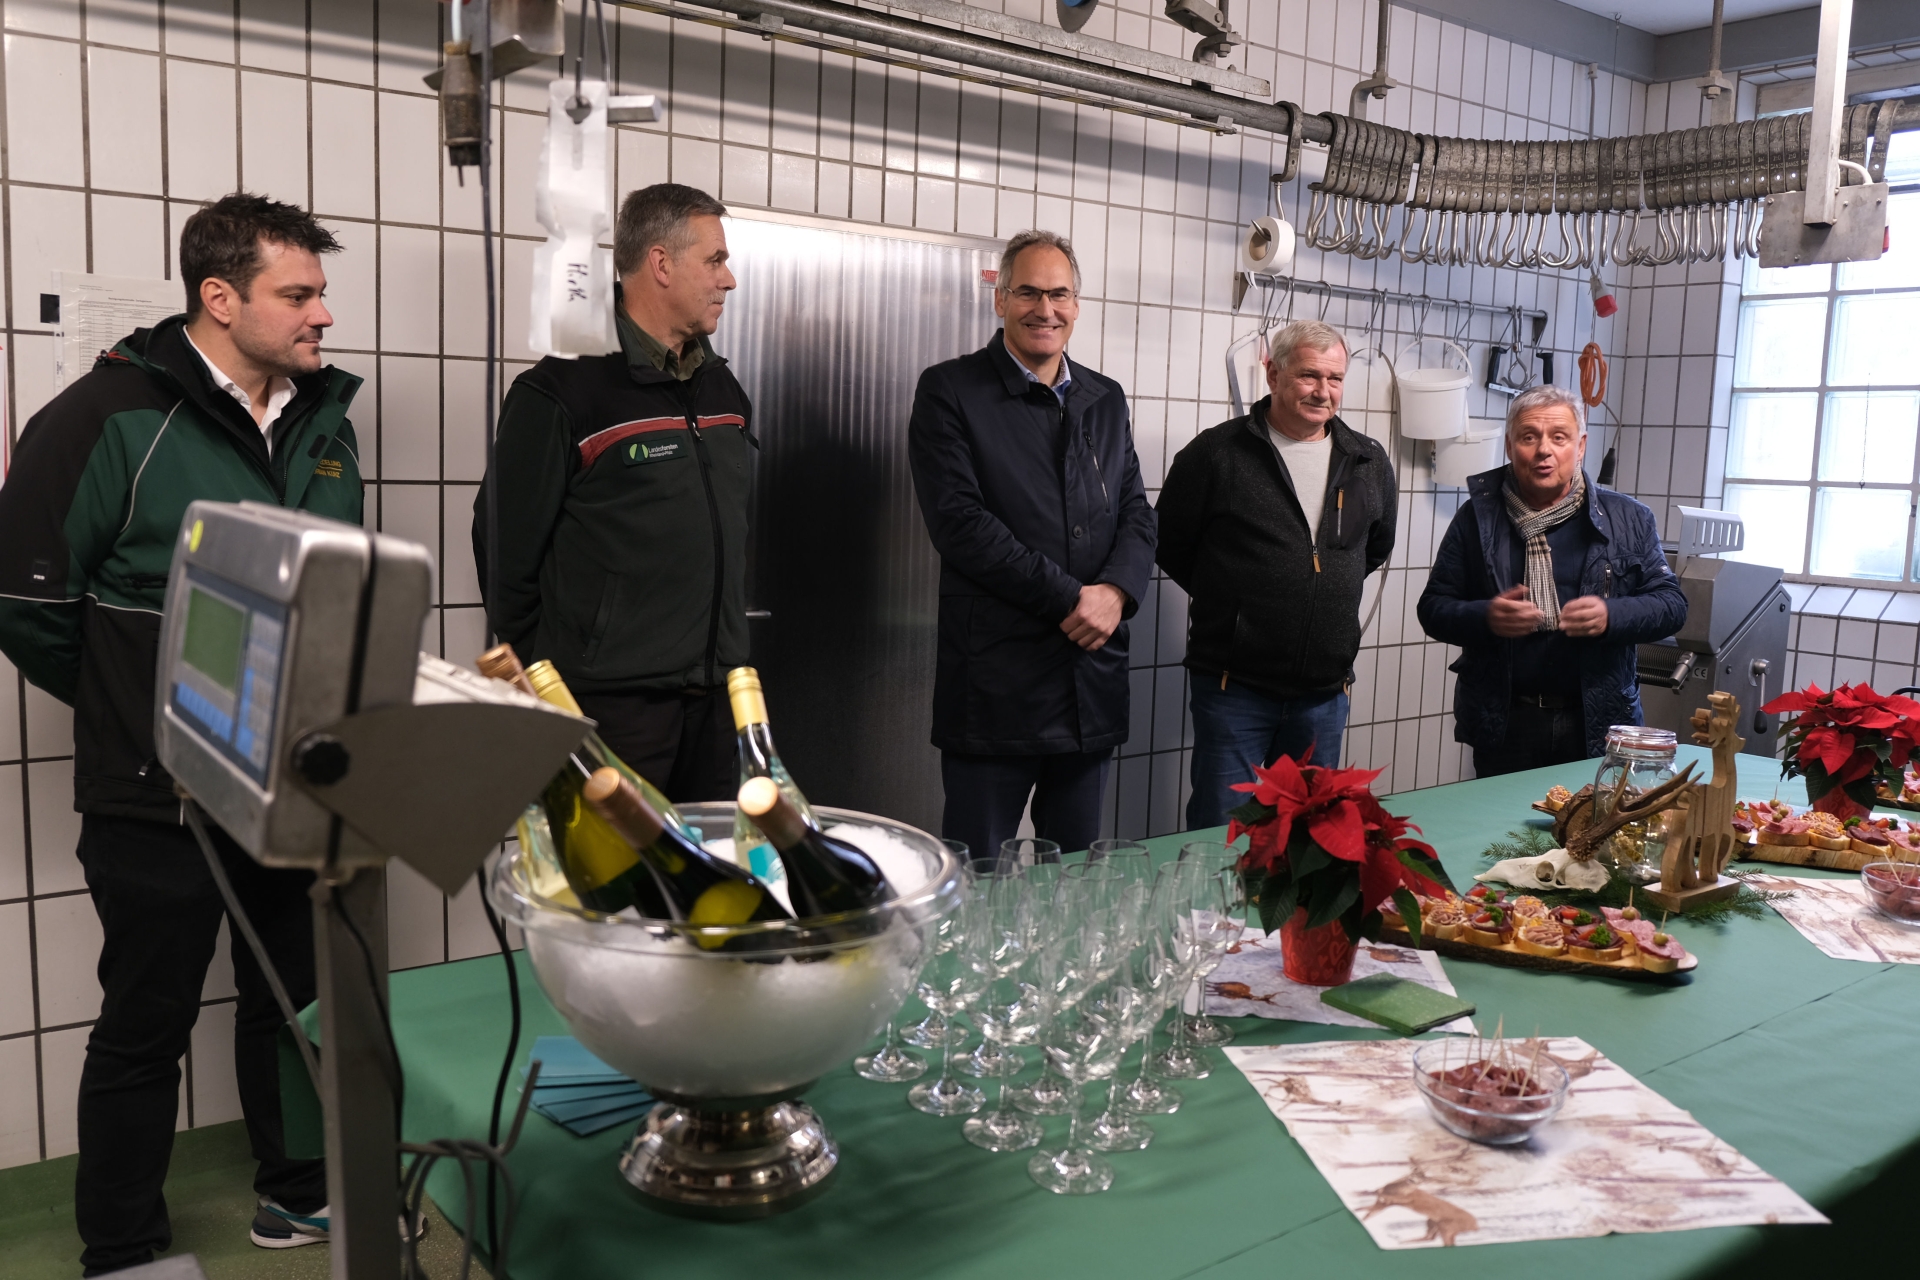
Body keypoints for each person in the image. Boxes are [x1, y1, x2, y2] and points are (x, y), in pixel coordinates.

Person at [0, 194, 363, 1271]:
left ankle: (296, 1196)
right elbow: (27, 605)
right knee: (144, 1021)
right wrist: (149, 713)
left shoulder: (321, 424)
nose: (322, 315)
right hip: (153, 788)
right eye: (298, 293)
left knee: (294, 999)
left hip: (290, 782)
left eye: (319, 291)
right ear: (220, 296)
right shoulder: (107, 417)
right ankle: (122, 1247)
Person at [474, 183, 751, 802]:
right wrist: (546, 686)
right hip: (610, 710)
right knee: (607, 893)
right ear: (660, 263)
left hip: (717, 705)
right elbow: (503, 547)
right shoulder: (564, 390)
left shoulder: (722, 390)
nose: (728, 279)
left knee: (709, 890)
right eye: (715, 260)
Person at [908, 230, 1156, 860]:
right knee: (980, 873)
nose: (1045, 309)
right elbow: (961, 524)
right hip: (997, 685)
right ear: (1000, 298)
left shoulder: (1105, 398)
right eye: (1028, 292)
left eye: (1060, 294)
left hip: (1088, 682)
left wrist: (1118, 592)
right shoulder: (951, 391)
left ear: (1077, 303)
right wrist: (1075, 599)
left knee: (1074, 876)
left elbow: (1135, 512)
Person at [1156, 320, 1396, 829]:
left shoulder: (1367, 459)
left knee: (1313, 840)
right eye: (1309, 375)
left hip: (1325, 693)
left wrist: (1315, 583)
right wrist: (1240, 600)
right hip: (1234, 686)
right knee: (1221, 833)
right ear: (1273, 374)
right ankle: (1214, 914)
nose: (1323, 391)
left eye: (1335, 378)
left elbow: (1372, 548)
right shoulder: (1217, 453)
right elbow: (1171, 544)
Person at [1416, 383, 1687, 778]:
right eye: (1530, 437)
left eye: (1559, 438)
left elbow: (1672, 605)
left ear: (1580, 447)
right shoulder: (1477, 518)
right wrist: (1487, 618)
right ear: (1510, 447)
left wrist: (1611, 615)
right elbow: (1433, 608)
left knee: (1591, 835)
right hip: (1507, 723)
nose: (1544, 450)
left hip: (1598, 723)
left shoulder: (1628, 518)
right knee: (1502, 838)